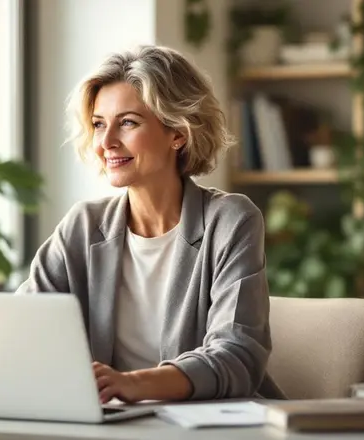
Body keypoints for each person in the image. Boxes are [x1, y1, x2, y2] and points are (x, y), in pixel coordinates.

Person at [16, 45, 284, 403]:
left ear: (179, 133)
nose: (106, 142)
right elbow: (21, 326)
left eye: (128, 122)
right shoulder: (82, 226)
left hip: (210, 427)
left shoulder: (230, 221)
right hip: (113, 425)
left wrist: (134, 384)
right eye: (98, 124)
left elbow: (237, 356)